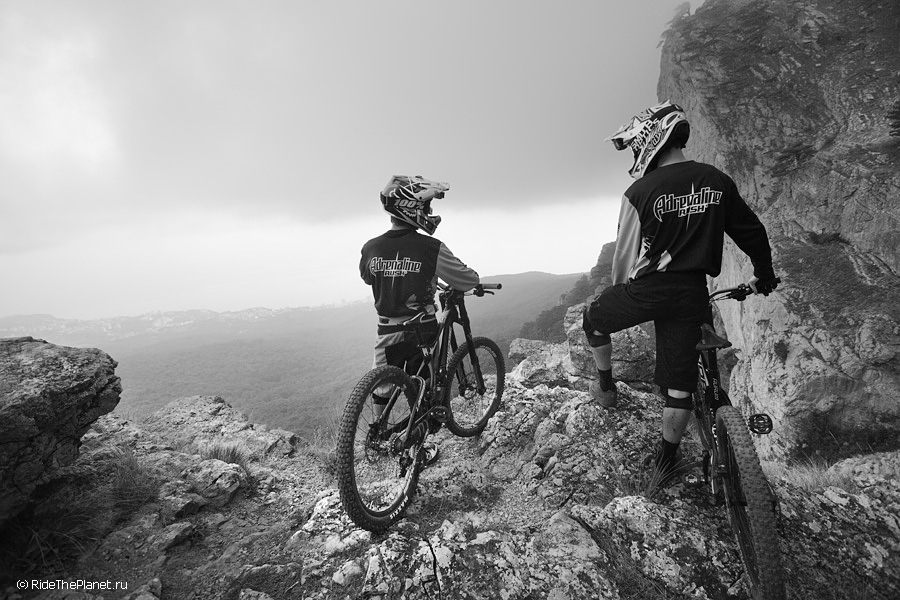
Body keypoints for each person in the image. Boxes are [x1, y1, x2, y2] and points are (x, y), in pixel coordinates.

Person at [582, 101, 779, 478]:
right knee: (679, 389)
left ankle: (606, 387)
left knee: (592, 318)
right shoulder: (715, 179)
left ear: (649, 139)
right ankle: (667, 460)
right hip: (692, 292)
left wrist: (620, 295)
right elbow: (751, 231)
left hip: (649, 290)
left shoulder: (639, 191)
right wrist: (764, 274)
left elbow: (624, 256)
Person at [360, 175, 481, 463]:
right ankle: (418, 447)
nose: (429, 212)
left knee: (382, 384)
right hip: (421, 330)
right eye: (425, 206)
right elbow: (466, 279)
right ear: (411, 208)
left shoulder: (370, 247)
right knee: (424, 389)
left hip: (386, 330)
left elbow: (368, 277)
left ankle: (379, 433)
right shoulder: (430, 247)